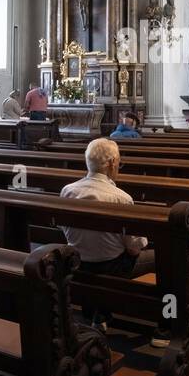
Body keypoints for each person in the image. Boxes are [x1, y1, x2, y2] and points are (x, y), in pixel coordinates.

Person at [60, 138, 167, 348]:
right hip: (114, 267)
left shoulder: (68, 191)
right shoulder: (121, 198)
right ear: (111, 163)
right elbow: (134, 248)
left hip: (78, 264)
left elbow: (64, 230)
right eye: (118, 162)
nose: (118, 165)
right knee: (170, 258)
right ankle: (167, 324)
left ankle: (98, 316)